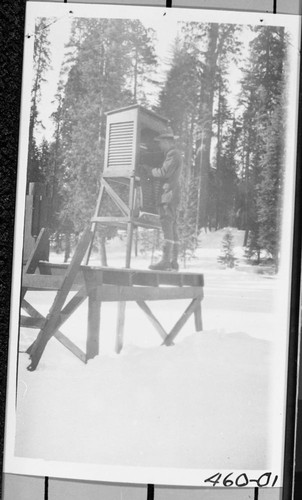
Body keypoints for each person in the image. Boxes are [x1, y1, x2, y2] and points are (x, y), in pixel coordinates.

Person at [146, 131, 182, 271]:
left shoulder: (172, 154)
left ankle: (166, 261)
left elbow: (164, 172)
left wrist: (150, 171)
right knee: (172, 225)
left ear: (167, 142)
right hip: (172, 193)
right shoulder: (175, 154)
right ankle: (173, 262)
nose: (160, 146)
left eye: (161, 143)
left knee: (167, 222)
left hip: (168, 193)